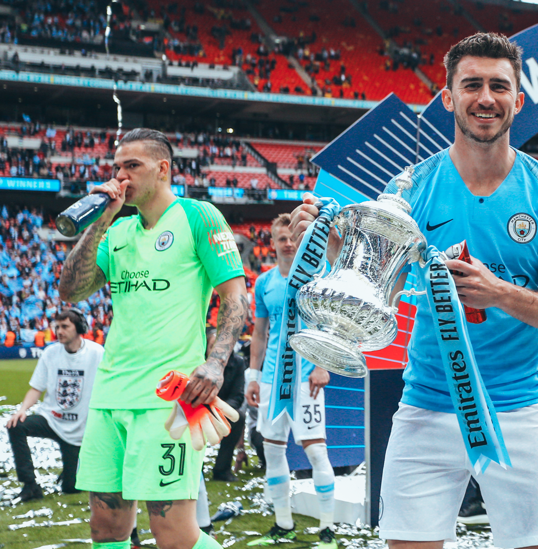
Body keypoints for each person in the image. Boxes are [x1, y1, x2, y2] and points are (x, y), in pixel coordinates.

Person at [291, 32, 538, 549]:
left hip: (521, 406)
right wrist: (330, 243)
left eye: (499, 86)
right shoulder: (408, 189)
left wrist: (501, 294)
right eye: (471, 84)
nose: (486, 98)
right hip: (428, 402)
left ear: (518, 100)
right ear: (449, 98)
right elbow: (382, 287)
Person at [58, 128, 247, 549]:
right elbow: (70, 290)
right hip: (110, 394)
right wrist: (101, 221)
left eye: (132, 166)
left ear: (163, 169)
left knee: (173, 534)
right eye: (116, 168)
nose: (121, 177)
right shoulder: (119, 232)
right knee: (105, 529)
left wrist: (215, 362)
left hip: (167, 399)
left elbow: (235, 296)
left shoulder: (199, 217)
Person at [245, 214, 337, 549]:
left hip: (305, 378)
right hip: (271, 379)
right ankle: (283, 524)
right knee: (272, 451)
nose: (287, 244)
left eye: (292, 238)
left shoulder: (316, 278)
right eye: (281, 238)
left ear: (300, 241)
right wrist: (252, 377)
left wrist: (322, 365)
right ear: (272, 242)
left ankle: (327, 530)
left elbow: (329, 324)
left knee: (315, 452)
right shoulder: (264, 282)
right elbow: (259, 333)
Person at [6, 308, 103, 502]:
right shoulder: (50, 353)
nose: (59, 331)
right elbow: (36, 388)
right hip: (50, 418)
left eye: (65, 326)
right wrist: (22, 410)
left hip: (79, 429)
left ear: (80, 328)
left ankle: (70, 472)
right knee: (16, 426)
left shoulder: (97, 353)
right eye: (57, 326)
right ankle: (30, 485)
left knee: (71, 488)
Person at [208, 327, 246, 483]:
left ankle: (222, 470)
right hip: (195, 409)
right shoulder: (197, 362)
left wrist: (217, 409)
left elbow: (238, 396)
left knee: (238, 418)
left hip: (220, 410)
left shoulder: (237, 363)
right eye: (213, 347)